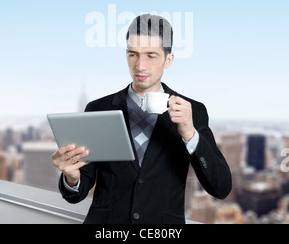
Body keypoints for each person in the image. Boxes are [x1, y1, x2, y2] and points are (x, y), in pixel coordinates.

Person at [52, 14, 232, 224]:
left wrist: (190, 135)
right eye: (133, 54)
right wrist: (72, 178)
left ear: (168, 60)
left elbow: (221, 188)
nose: (140, 65)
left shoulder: (193, 112)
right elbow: (77, 192)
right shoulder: (97, 109)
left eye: (151, 55)